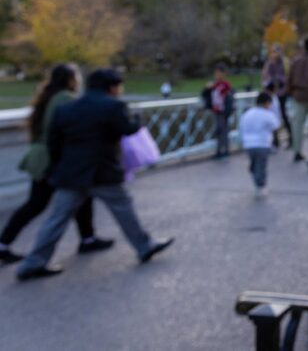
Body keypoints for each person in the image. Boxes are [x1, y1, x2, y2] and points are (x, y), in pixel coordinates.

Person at [16, 69, 173, 281]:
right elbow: (127, 129)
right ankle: (144, 246)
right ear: (112, 87)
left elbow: (54, 143)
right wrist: (136, 120)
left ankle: (33, 261)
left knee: (56, 219)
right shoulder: (113, 106)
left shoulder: (66, 109)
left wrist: (56, 168)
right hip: (102, 171)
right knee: (123, 209)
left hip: (71, 173)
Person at [0, 64, 112, 266]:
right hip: (52, 159)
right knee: (38, 204)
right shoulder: (65, 99)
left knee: (77, 197)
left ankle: (88, 238)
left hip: (45, 156)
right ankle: (4, 245)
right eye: (76, 76)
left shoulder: (50, 97)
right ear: (70, 80)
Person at [239, 91, 280, 198]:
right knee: (261, 165)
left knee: (254, 163)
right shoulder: (268, 114)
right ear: (267, 103)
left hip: (248, 144)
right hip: (263, 143)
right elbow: (276, 126)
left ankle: (255, 175)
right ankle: (260, 186)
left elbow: (241, 127)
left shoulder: (247, 113)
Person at [261, 44, 291, 148]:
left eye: (275, 52)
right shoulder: (269, 64)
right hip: (272, 93)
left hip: (282, 92)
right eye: (272, 52)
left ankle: (291, 138)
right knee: (272, 116)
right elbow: (265, 77)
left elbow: (287, 77)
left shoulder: (285, 63)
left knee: (283, 115)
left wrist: (280, 81)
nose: (274, 54)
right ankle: (275, 140)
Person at [203, 64, 235, 159]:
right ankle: (219, 150)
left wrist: (228, 110)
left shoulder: (226, 85)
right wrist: (207, 88)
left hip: (223, 111)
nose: (216, 74)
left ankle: (224, 150)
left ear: (223, 73)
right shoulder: (214, 84)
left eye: (218, 72)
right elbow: (206, 95)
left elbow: (230, 97)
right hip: (216, 110)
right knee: (218, 131)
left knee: (223, 130)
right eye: (215, 72)